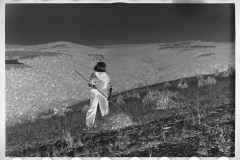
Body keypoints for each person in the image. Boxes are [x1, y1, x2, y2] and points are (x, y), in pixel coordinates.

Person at [86, 62, 113, 129]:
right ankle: (89, 125)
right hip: (94, 93)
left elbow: (110, 86)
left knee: (104, 109)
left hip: (103, 94)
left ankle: (107, 124)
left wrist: (110, 96)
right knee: (92, 108)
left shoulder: (105, 76)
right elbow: (89, 84)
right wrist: (92, 86)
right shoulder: (93, 74)